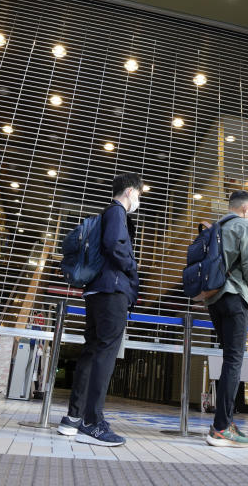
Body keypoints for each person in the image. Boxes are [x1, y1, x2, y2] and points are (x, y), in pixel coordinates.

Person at [58, 173, 143, 447]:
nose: (138, 200)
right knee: (105, 355)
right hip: (112, 291)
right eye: (139, 195)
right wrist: (132, 270)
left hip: (96, 291)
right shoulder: (117, 212)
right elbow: (115, 246)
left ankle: (74, 418)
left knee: (91, 352)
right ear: (130, 191)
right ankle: (93, 422)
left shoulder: (105, 214)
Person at [201, 191, 248, 448]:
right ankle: (222, 427)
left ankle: (224, 421)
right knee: (234, 361)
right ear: (247, 208)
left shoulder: (216, 227)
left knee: (229, 359)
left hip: (214, 299)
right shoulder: (244, 226)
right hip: (236, 296)